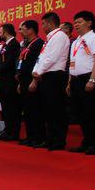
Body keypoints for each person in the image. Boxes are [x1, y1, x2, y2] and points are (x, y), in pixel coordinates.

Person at [67, 11, 95, 155]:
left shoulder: (94, 37)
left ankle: (94, 144)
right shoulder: (76, 41)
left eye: (79, 22)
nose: (76, 25)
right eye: (75, 22)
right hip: (76, 80)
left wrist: (92, 79)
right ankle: (85, 142)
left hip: (88, 78)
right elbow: (72, 62)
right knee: (81, 113)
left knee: (91, 113)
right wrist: (69, 82)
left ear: (89, 23)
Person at [31, 12, 70, 150]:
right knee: (48, 110)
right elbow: (41, 58)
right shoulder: (50, 38)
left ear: (50, 23)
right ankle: (50, 139)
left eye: (43, 23)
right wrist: (36, 71)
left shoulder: (59, 36)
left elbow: (52, 58)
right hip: (46, 76)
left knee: (56, 109)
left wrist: (38, 71)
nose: (42, 26)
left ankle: (58, 141)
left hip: (55, 76)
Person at [17, 20, 45, 146]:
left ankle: (38, 137)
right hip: (23, 80)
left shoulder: (38, 43)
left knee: (35, 110)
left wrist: (34, 81)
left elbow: (37, 63)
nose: (21, 32)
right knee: (27, 110)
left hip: (32, 80)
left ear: (31, 30)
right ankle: (30, 136)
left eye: (23, 29)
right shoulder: (27, 44)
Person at [0, 23, 21, 141]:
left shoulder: (14, 44)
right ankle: (8, 130)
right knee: (5, 107)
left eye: (0, 32)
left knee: (12, 106)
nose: (0, 34)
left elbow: (9, 62)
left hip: (10, 80)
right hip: (3, 80)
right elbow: (0, 61)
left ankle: (14, 132)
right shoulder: (5, 45)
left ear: (5, 31)